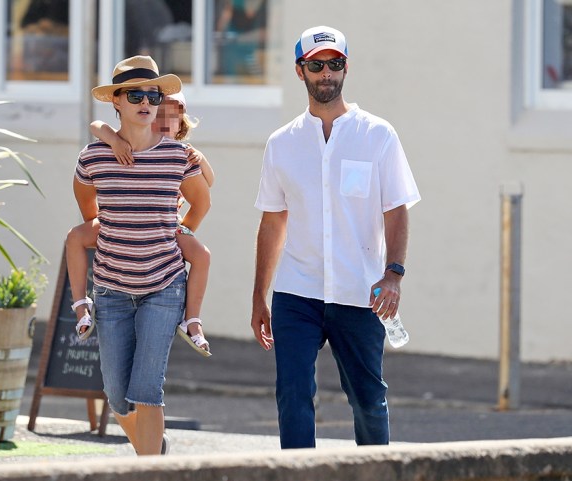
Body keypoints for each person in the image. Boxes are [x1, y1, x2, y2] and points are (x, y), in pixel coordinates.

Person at [251, 26, 421, 449]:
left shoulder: (378, 135)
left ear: (346, 68)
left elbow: (396, 209)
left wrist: (394, 274)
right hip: (296, 292)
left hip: (360, 292)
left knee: (367, 401)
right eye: (316, 65)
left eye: (335, 64)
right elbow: (272, 223)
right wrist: (259, 296)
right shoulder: (281, 143)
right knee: (293, 397)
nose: (326, 73)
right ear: (300, 71)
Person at [70, 55, 210, 455]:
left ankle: (149, 467)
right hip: (111, 290)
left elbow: (200, 203)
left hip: (164, 287)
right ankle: (153, 451)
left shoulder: (178, 156)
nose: (146, 102)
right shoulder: (93, 157)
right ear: (117, 101)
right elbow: (88, 212)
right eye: (136, 94)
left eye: (152, 94)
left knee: (148, 388)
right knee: (117, 396)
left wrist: (179, 234)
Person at [68, 91, 214, 356]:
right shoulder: (127, 141)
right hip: (119, 221)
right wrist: (113, 140)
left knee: (202, 256)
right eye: (162, 115)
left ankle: (192, 319)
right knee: (75, 237)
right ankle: (81, 305)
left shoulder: (182, 154)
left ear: (181, 126)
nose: (164, 124)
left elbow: (206, 190)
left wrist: (184, 230)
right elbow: (95, 126)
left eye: (174, 119)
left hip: (165, 226)